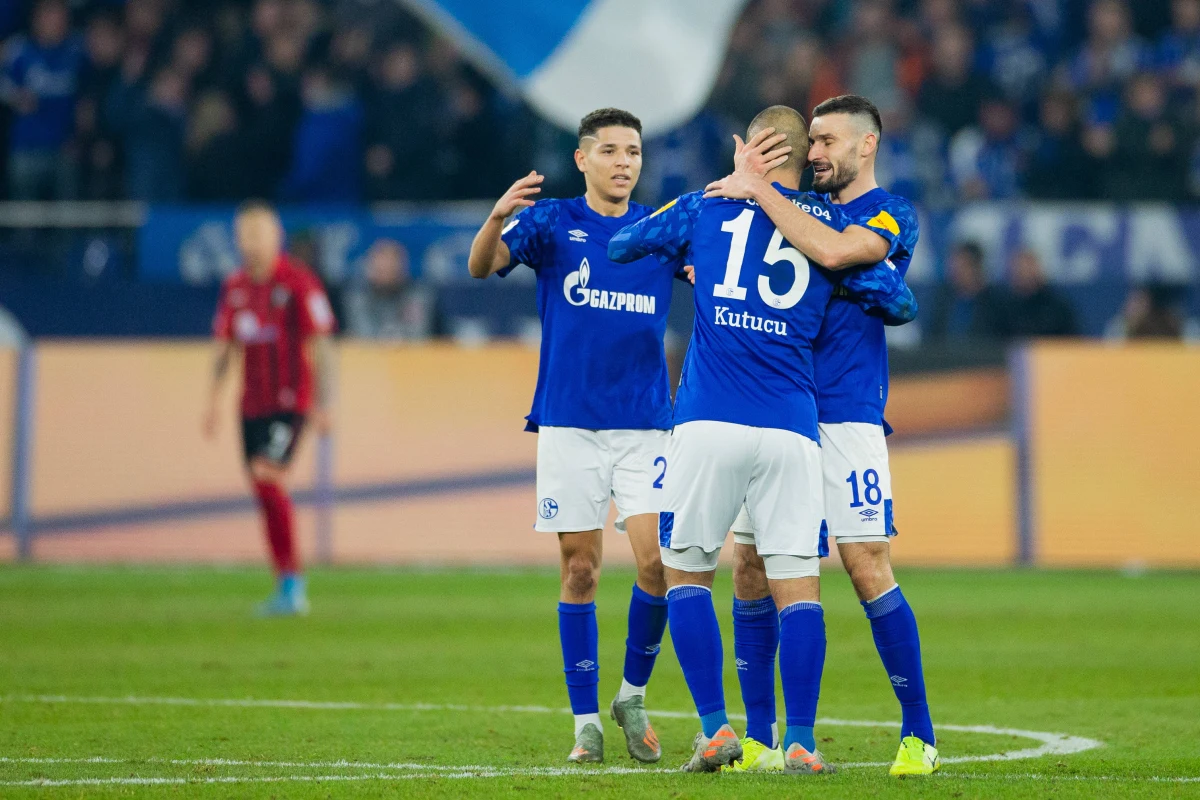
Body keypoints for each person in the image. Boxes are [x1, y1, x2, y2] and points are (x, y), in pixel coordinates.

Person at [610, 105, 916, 775]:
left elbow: (624, 244)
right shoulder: (828, 225)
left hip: (709, 420)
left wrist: (705, 240)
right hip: (792, 427)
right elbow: (896, 298)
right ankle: (800, 740)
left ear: (748, 148)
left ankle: (718, 729)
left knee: (688, 571)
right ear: (803, 155)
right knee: (797, 587)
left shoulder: (704, 210)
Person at [703, 95, 938, 776]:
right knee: (752, 567)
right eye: (810, 143)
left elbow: (841, 253)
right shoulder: (784, 211)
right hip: (773, 411)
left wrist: (762, 195)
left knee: (866, 564)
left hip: (846, 414)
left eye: (828, 141)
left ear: (868, 145)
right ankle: (760, 740)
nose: (814, 154)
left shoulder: (889, 214)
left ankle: (919, 735)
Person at [466, 108, 682, 765]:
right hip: (569, 423)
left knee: (661, 566)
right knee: (580, 568)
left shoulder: (660, 230)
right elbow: (482, 266)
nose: (624, 162)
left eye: (634, 151)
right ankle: (585, 722)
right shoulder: (553, 222)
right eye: (611, 150)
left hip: (646, 423)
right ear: (583, 159)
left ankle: (632, 693)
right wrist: (496, 217)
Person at [203, 201, 336, 617]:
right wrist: (213, 400)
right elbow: (225, 347)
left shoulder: (299, 282)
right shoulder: (236, 287)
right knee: (264, 488)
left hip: (290, 402)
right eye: (244, 234)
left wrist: (323, 403)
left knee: (267, 475)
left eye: (258, 233)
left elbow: (323, 345)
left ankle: (293, 585)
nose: (251, 243)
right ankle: (284, 581)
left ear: (276, 236)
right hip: (251, 405)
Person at [1, 0, 84, 200]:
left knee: (68, 217)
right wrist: (15, 96)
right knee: (25, 217)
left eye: (59, 15)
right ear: (36, 19)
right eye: (48, 15)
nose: (55, 21)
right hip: (26, 147)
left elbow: (92, 90)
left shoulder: (78, 50)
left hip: (65, 147)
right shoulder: (18, 49)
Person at [345, 238, 442, 340]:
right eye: (381, 270)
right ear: (370, 269)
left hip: (412, 354)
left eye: (392, 267)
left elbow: (418, 335)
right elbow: (363, 334)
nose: (387, 271)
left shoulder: (419, 295)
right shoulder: (357, 297)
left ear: (403, 268)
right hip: (369, 354)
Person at [928, 241, 1010, 341]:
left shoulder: (996, 303)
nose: (956, 272)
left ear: (977, 267)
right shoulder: (942, 300)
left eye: (962, 266)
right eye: (953, 266)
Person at [1006, 248, 1078, 337]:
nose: (1024, 273)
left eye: (1029, 268)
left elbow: (1073, 341)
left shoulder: (1057, 307)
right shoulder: (1003, 307)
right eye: (1020, 268)